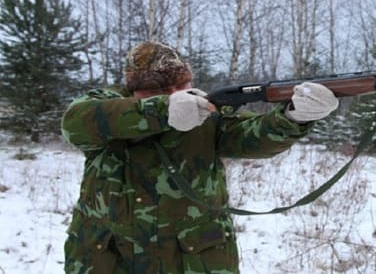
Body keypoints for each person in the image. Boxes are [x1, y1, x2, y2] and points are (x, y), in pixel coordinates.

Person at [61, 41, 339, 274]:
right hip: (109, 257)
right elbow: (77, 122)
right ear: (133, 89)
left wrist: (292, 117)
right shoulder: (106, 107)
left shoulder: (202, 112)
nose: (174, 95)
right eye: (158, 89)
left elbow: (250, 135)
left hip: (192, 257)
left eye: (181, 85)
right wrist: (160, 110)